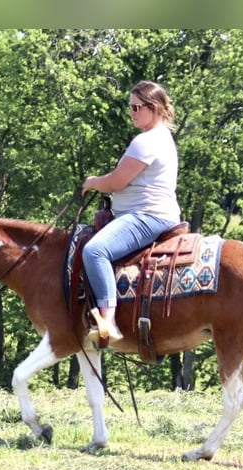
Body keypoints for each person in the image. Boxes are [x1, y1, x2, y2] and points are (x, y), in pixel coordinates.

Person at [81, 80, 181, 344]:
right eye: (130, 107)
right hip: (157, 213)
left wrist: (93, 182)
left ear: (154, 107)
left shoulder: (146, 141)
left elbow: (116, 182)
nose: (132, 113)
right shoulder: (162, 138)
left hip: (147, 215)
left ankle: (108, 321)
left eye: (137, 108)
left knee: (94, 250)